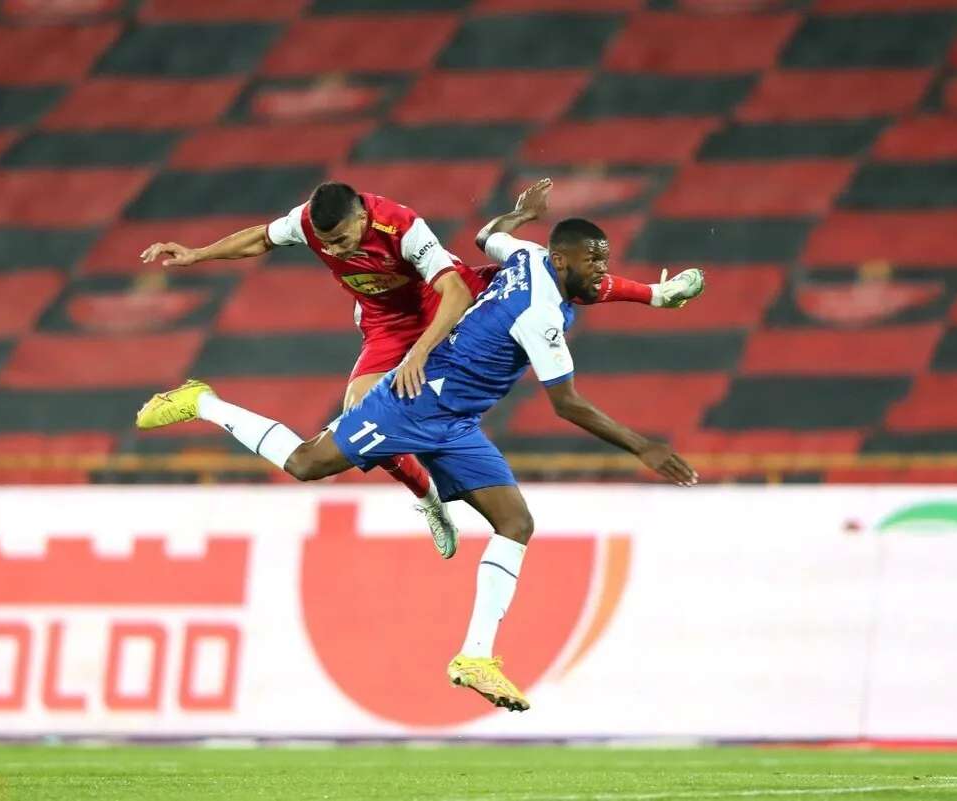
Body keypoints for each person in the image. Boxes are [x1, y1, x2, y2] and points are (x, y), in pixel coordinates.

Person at [135, 209, 701, 713]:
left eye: (604, 258)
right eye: (593, 260)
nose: (602, 270)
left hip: (457, 423)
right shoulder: (540, 314)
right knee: (306, 463)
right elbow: (567, 404)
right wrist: (643, 446)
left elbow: (489, 236)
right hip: (415, 401)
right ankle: (202, 401)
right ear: (561, 260)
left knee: (515, 523)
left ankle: (475, 657)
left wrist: (524, 218)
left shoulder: (529, 256)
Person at [140, 179, 704, 561]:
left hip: (444, 305)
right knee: (360, 416)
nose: (335, 249)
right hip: (387, 325)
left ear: (363, 215)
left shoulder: (403, 226)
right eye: (327, 243)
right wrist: (196, 254)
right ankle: (431, 499)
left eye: (343, 238)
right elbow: (259, 239)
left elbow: (455, 289)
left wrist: (420, 354)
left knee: (549, 282)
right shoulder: (310, 224)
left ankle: (658, 293)